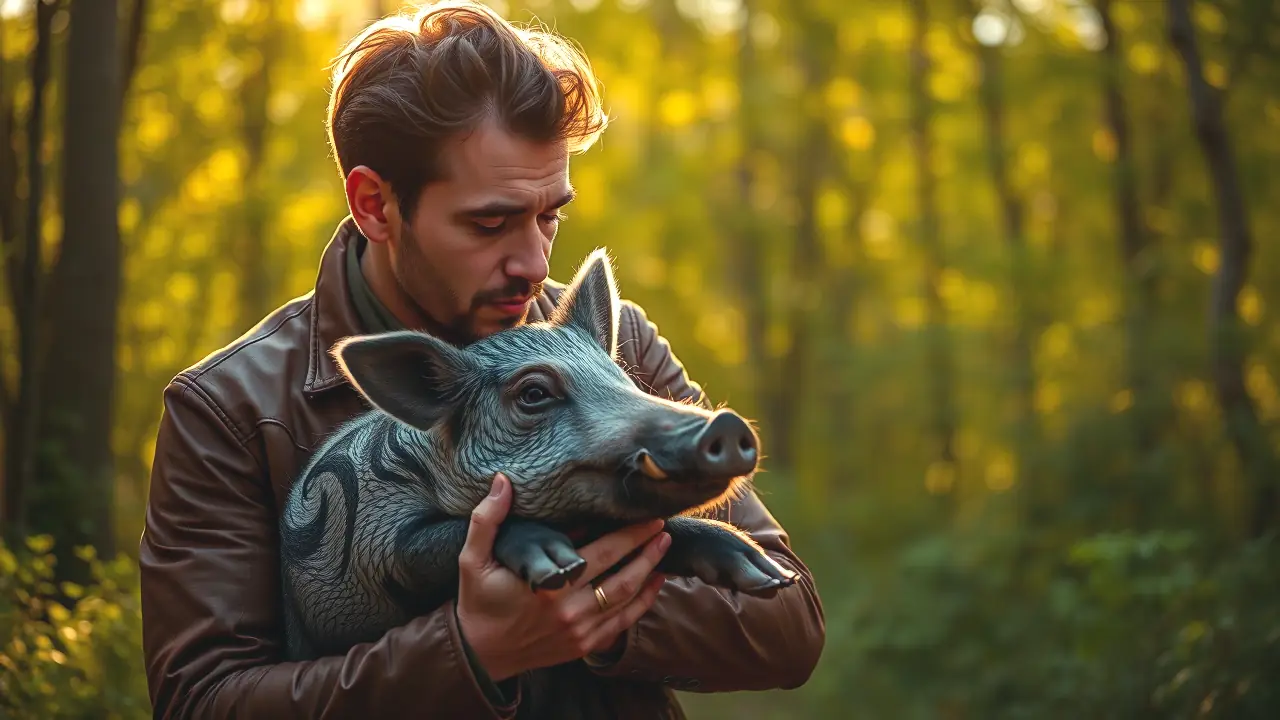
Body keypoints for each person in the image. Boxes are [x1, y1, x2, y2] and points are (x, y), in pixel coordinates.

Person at [137, 2, 825, 718]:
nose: (532, 263)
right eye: (490, 222)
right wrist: (469, 648)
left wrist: (588, 610)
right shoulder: (233, 410)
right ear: (375, 205)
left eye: (549, 215)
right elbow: (201, 701)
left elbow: (787, 624)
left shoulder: (609, 341)